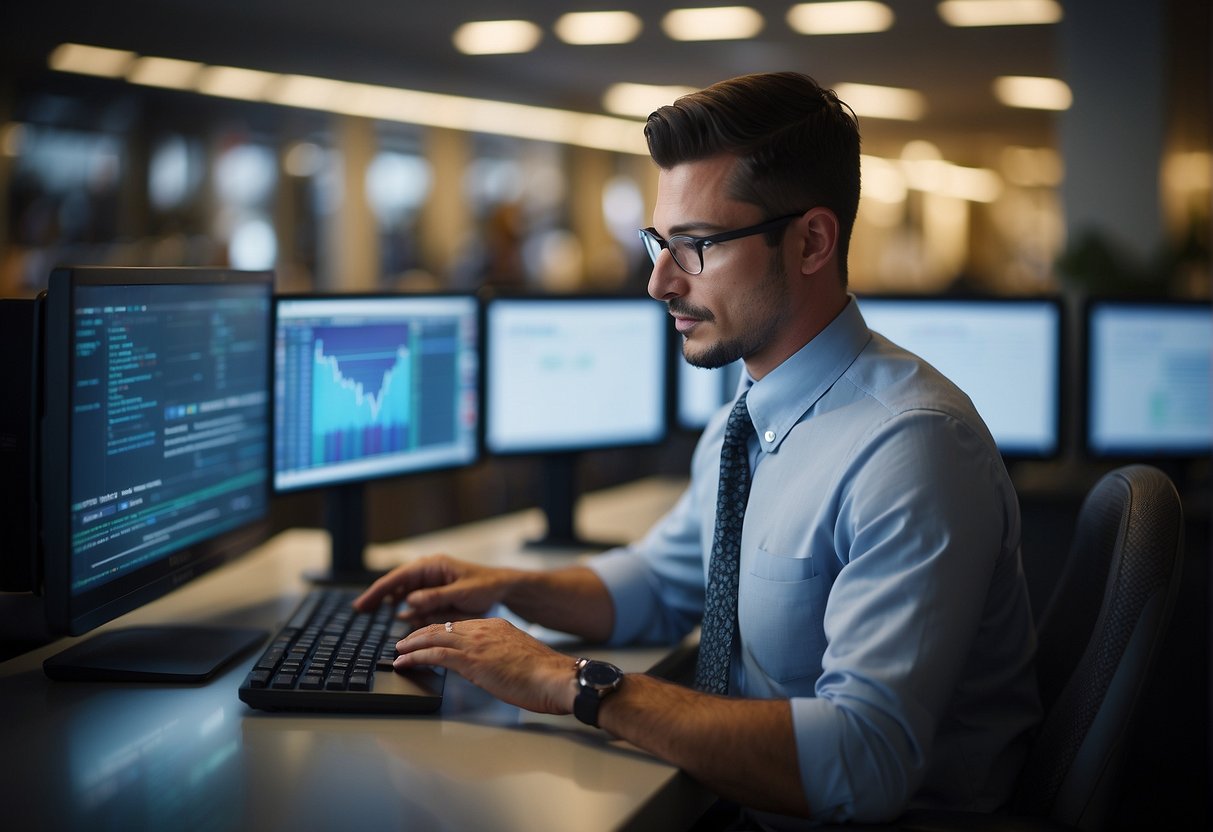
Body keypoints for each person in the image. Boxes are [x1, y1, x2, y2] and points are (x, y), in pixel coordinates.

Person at [355, 71, 1041, 827]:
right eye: (660, 242)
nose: (659, 283)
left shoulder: (912, 449)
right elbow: (660, 582)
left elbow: (863, 760)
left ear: (811, 241)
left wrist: (569, 682)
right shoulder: (745, 420)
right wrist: (505, 587)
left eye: (696, 246)